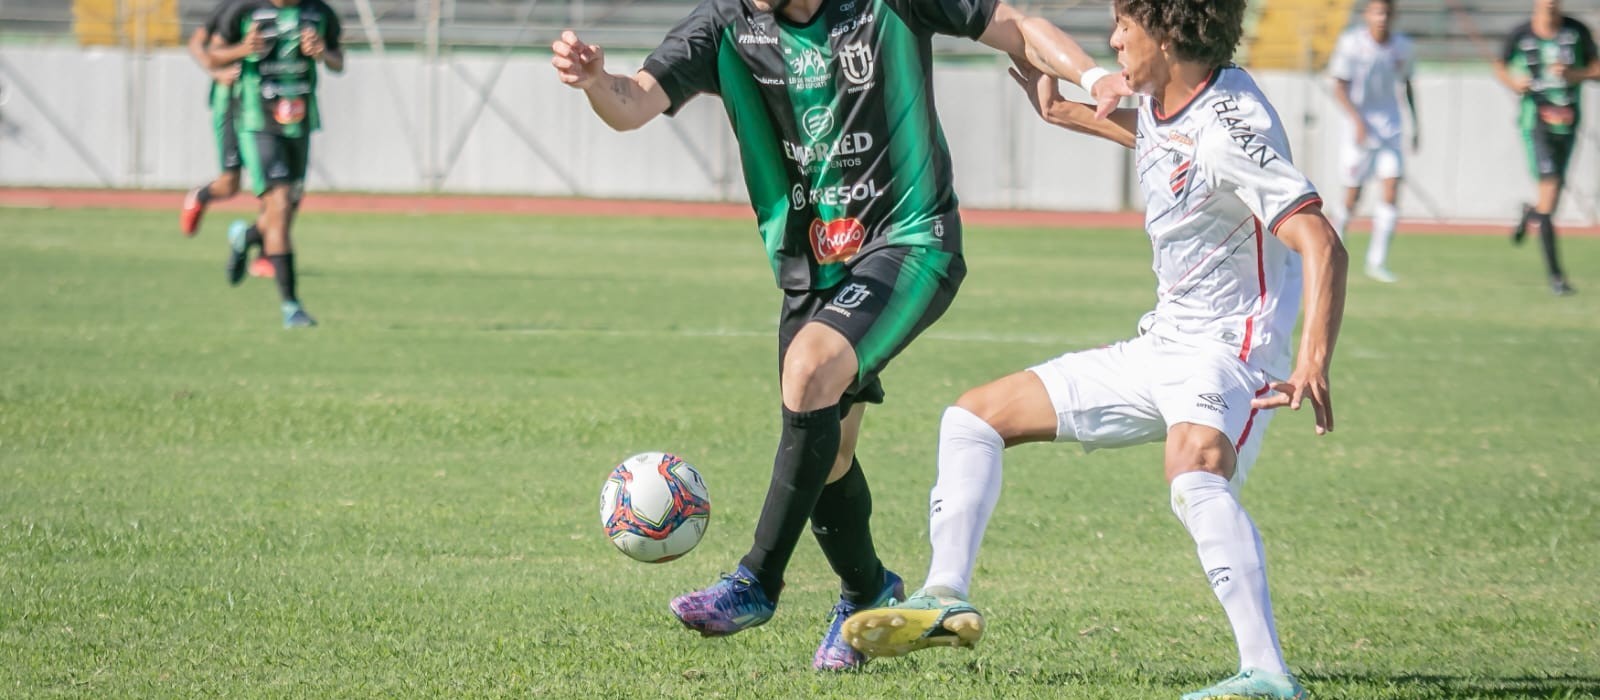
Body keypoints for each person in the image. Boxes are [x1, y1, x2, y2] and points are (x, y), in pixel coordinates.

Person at [551, 0, 1130, 672]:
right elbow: (634, 102)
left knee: (809, 371)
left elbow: (1016, 25)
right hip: (812, 270)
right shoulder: (727, 26)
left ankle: (757, 581)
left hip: (912, 242)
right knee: (825, 452)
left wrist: (1093, 78)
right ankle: (866, 590)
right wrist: (596, 81)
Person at [842, 1, 1346, 698]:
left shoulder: (1232, 126)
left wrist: (1312, 359)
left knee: (1193, 468)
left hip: (1229, 353)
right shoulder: (1178, 100)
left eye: (1124, 28)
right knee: (973, 417)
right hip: (1162, 343)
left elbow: (1319, 239)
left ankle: (1266, 673)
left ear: (1167, 38)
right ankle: (944, 594)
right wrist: (1062, 110)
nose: (1111, 42)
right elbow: (1160, 140)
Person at [210, 0, 343, 327]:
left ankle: (247, 236)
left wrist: (322, 53)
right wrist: (243, 48)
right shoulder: (243, 10)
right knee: (280, 206)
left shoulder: (320, 12)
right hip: (257, 123)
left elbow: (339, 62)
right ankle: (291, 307)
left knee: (284, 211)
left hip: (299, 124)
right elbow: (213, 54)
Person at [1494, 0, 1598, 296]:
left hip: (1568, 123)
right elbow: (1500, 66)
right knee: (1550, 196)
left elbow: (1596, 68)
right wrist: (1514, 82)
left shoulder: (1577, 31)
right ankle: (1556, 277)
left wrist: (1575, 74)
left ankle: (1531, 214)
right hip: (1535, 123)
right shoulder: (1521, 34)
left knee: (1550, 199)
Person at [181, 0, 276, 280]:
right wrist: (217, 72)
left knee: (274, 190)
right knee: (229, 184)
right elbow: (200, 47)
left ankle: (266, 255)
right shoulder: (237, 7)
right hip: (232, 103)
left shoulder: (291, 9)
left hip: (267, 107)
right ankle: (200, 195)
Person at [1327, 0, 1416, 283]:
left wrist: (1416, 125)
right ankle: (1331, 251)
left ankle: (1377, 262)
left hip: (1390, 129)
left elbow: (1408, 84)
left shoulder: (1403, 46)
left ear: (1393, 16)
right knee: (1353, 195)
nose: (1382, 17)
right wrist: (1356, 121)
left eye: (1387, 12)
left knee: (1391, 190)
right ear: (1367, 14)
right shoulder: (1351, 44)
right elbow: (1339, 86)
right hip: (1360, 131)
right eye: (1377, 11)